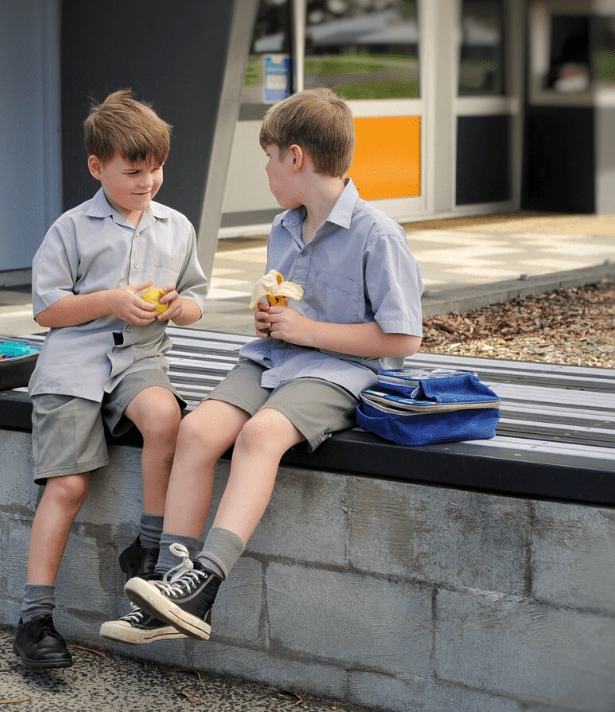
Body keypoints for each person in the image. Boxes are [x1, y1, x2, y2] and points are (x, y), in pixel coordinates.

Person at [104, 88, 423, 643]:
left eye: (269, 156)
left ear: (295, 158)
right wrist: (272, 319)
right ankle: (165, 585)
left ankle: (202, 587)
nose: (267, 170)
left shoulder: (378, 235)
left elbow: (403, 336)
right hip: (274, 359)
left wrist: (308, 330)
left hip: (339, 371)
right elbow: (290, 310)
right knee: (198, 428)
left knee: (259, 436)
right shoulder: (284, 228)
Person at [14, 89, 207, 668]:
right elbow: (47, 311)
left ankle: (148, 553)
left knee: (165, 416)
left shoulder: (176, 227)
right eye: (133, 171)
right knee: (69, 487)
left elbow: (196, 299)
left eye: (156, 169)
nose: (147, 181)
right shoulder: (70, 229)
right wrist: (110, 301)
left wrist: (177, 307)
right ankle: (34, 617)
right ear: (98, 168)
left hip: (141, 360)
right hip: (73, 366)